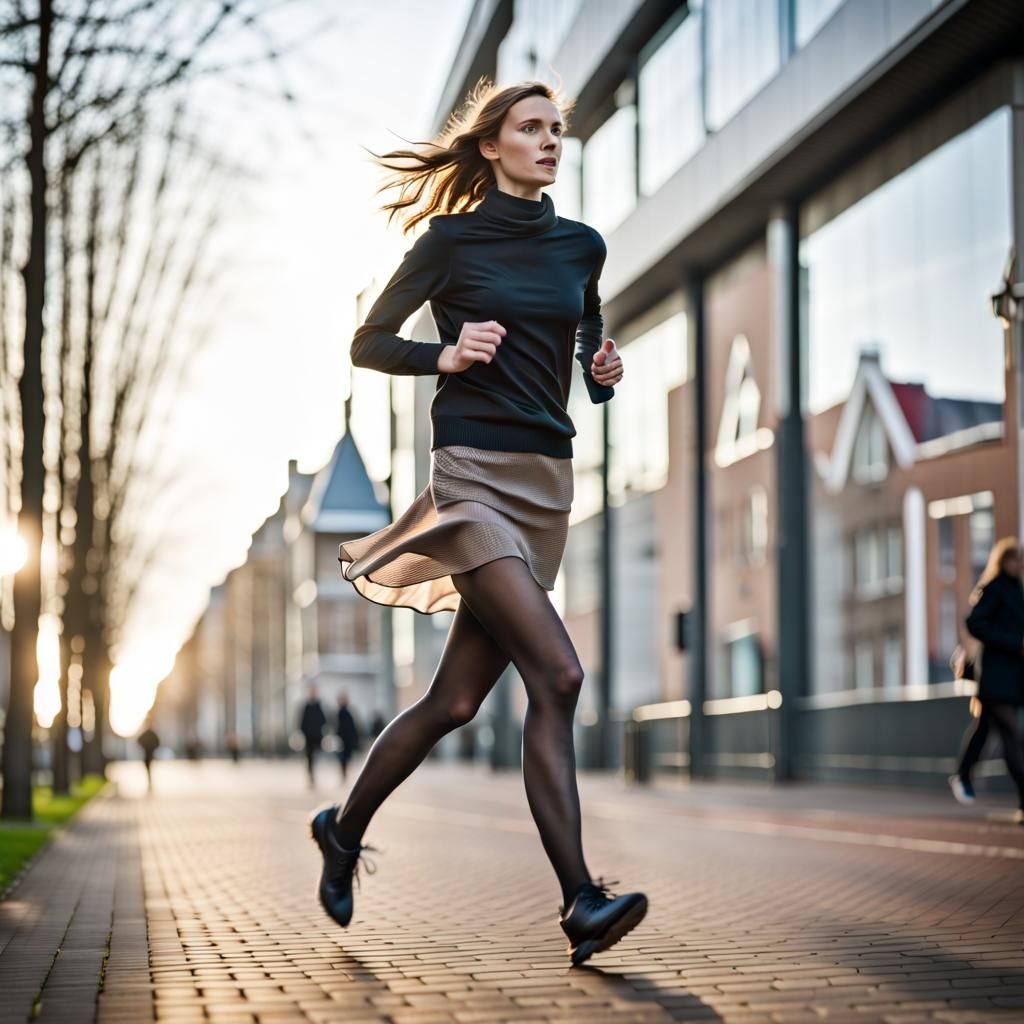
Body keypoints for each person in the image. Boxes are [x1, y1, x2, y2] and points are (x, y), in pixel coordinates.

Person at [308, 79, 646, 966]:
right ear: (491, 145)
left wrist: (604, 371)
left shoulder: (583, 247)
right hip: (471, 478)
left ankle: (341, 832)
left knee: (455, 701)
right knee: (561, 676)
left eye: (556, 130)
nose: (548, 141)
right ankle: (579, 900)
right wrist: (446, 353)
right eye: (530, 129)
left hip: (546, 484)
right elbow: (369, 341)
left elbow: (588, 352)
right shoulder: (449, 242)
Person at [950, 536, 1024, 822]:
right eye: (1015, 560)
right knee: (1012, 735)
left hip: (1014, 678)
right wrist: (1013, 643)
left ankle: (963, 773)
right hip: (995, 677)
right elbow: (974, 623)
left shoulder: (1018, 590)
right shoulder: (993, 588)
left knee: (989, 731)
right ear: (1003, 561)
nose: (1019, 565)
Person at [299, 685, 328, 789]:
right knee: (310, 758)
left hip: (317, 738)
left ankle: (313, 776)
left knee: (315, 758)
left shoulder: (319, 706)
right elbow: (301, 722)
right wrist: (303, 732)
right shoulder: (306, 706)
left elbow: (324, 720)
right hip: (308, 738)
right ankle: (311, 777)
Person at [334, 690, 361, 783]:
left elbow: (352, 727)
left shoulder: (348, 712)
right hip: (342, 740)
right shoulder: (339, 713)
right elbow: (337, 727)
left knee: (346, 758)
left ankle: (344, 775)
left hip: (347, 740)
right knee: (343, 759)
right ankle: (343, 775)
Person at [137, 718, 160, 792]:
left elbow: (158, 742)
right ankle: (149, 780)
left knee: (150, 768)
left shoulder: (151, 734)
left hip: (150, 754)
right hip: (147, 754)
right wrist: (145, 747)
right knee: (148, 768)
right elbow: (139, 740)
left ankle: (150, 781)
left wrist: (152, 747)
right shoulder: (146, 734)